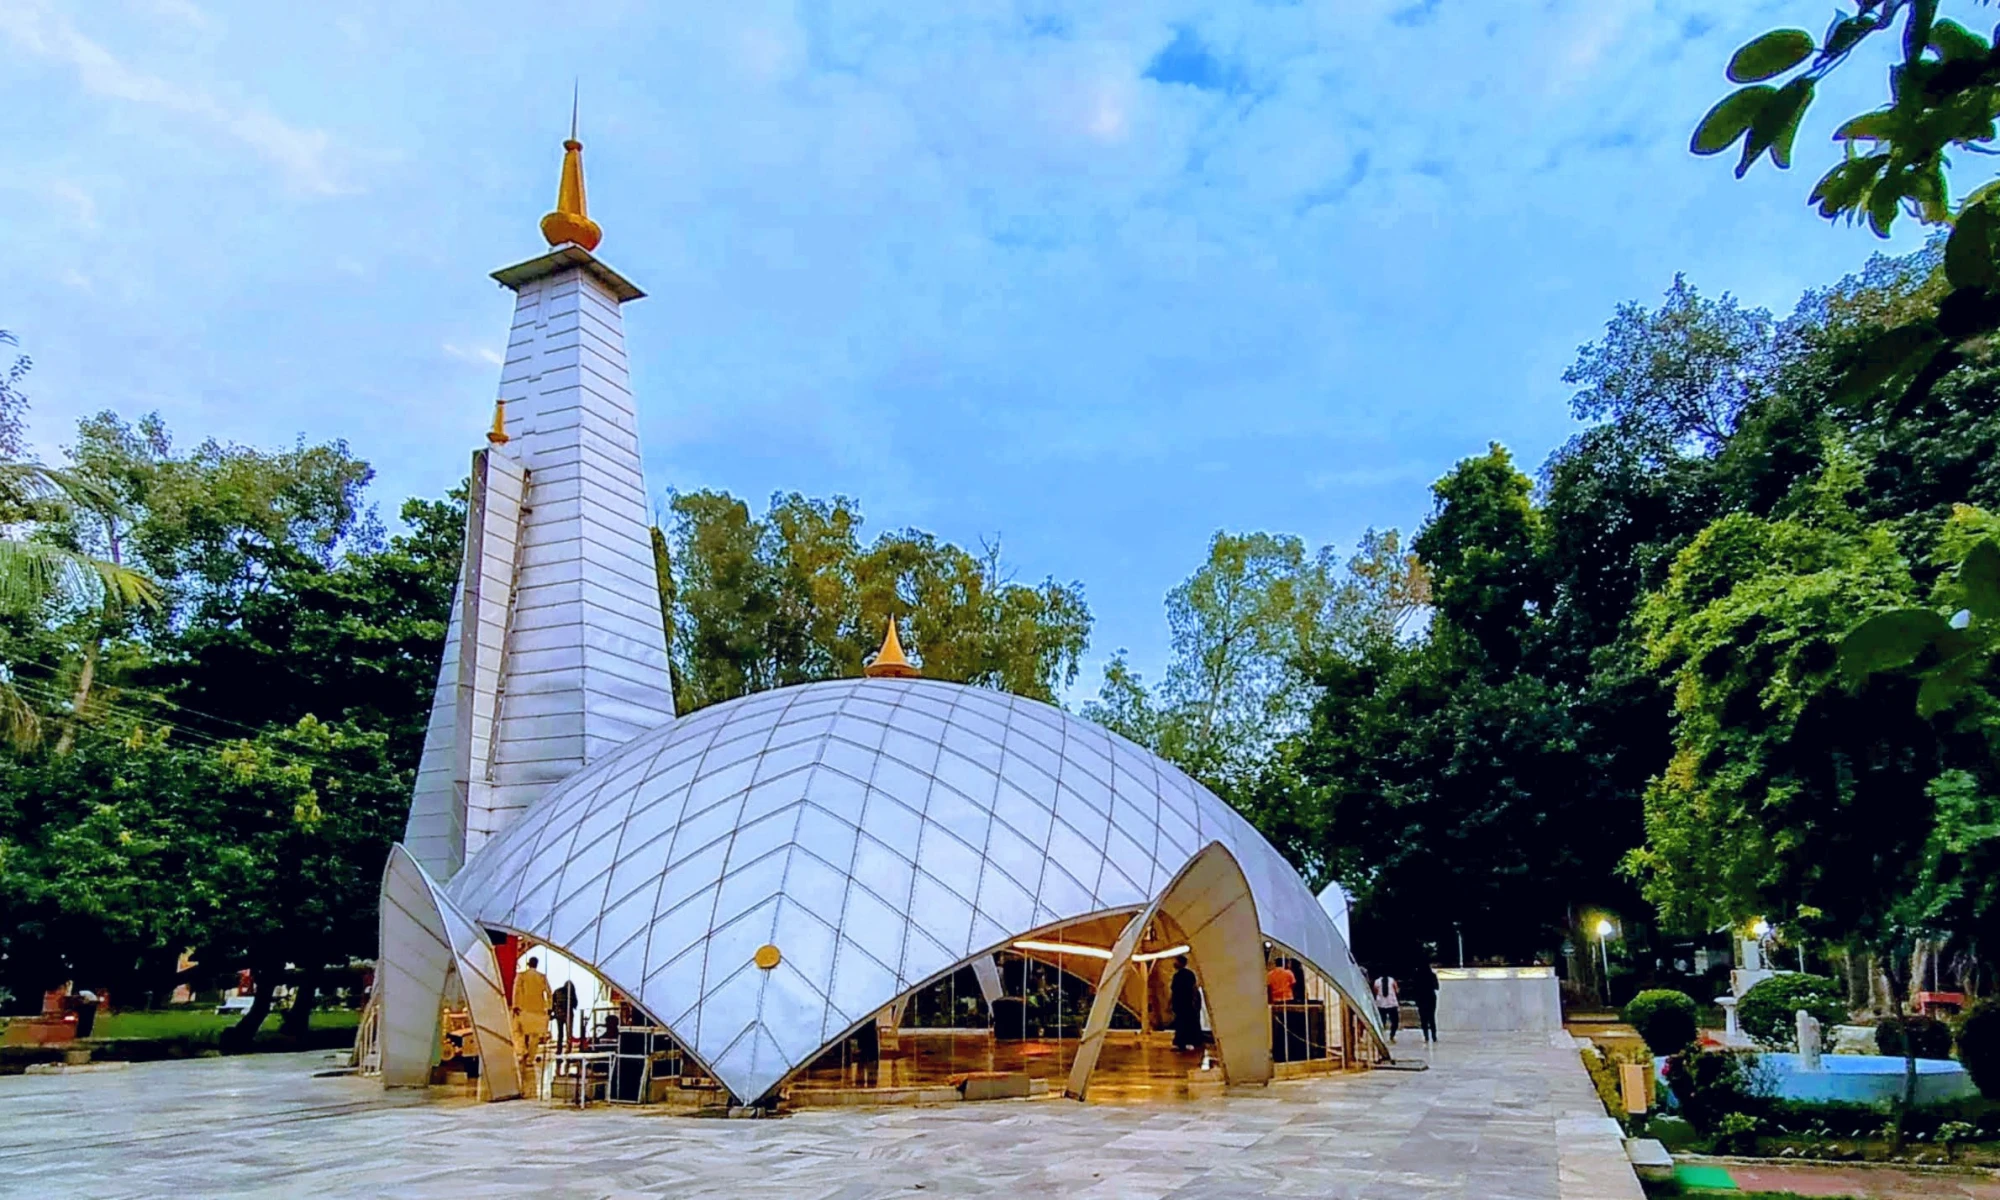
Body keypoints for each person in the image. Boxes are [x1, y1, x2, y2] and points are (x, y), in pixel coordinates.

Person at [512, 955, 553, 1067]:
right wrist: (549, 1008)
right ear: (537, 964)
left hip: (523, 1009)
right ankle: (530, 1058)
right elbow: (549, 993)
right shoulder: (542, 977)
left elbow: (516, 991)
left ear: (528, 964)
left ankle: (522, 1051)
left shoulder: (521, 976)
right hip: (538, 1010)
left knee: (517, 1031)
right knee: (534, 1036)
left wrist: (515, 1005)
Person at [1170, 955, 1203, 1051]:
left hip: (1182, 1004)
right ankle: (1193, 1041)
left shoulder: (1178, 976)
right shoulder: (1189, 974)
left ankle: (1181, 1043)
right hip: (1187, 1004)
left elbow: (1175, 990)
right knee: (1189, 1023)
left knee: (1181, 1023)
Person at [1406, 963, 1440, 1045]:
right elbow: (1437, 987)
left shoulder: (1417, 976)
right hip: (1431, 997)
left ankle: (1426, 1036)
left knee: (1423, 1018)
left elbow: (1414, 988)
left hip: (1421, 998)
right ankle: (1434, 1036)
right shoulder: (1432, 975)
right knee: (1431, 1018)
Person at [1372, 972, 1400, 1042]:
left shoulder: (1377, 982)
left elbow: (1375, 991)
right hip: (1391, 1003)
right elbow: (1396, 990)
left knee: (1382, 1021)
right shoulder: (1392, 980)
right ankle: (1391, 1035)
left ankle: (1383, 1036)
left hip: (1381, 1003)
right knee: (1394, 1021)